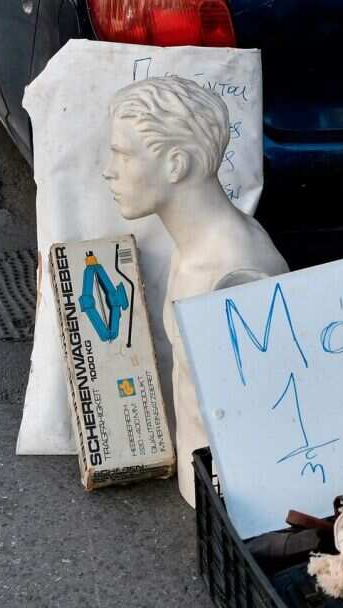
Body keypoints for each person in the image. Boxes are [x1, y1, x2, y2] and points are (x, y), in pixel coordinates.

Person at [104, 76, 288, 507]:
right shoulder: (193, 249)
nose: (108, 170)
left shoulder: (234, 270)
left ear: (176, 164)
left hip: (236, 500)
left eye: (123, 155)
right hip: (202, 484)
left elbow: (263, 409)